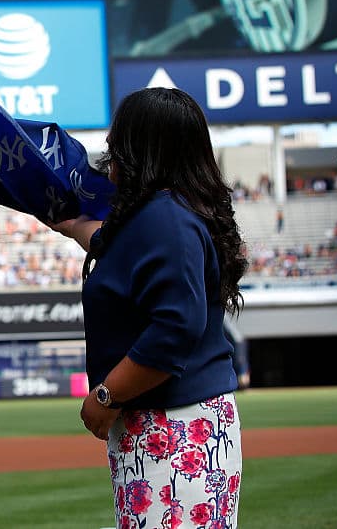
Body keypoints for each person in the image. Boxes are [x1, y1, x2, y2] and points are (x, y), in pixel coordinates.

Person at [51, 88, 248, 529]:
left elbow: (175, 329)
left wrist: (106, 395)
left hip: (174, 428)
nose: (111, 151)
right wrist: (70, 225)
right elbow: (106, 242)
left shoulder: (165, 217)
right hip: (170, 425)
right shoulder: (166, 211)